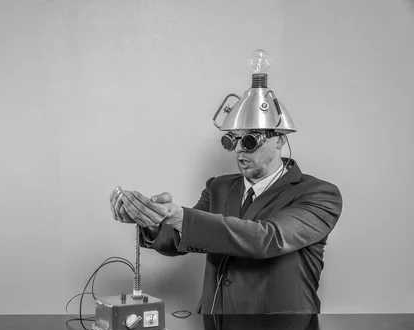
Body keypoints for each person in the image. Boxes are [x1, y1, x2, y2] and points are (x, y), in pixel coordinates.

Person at [109, 130, 342, 314]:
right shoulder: (218, 187)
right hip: (215, 329)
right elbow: (183, 237)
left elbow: (268, 238)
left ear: (279, 140)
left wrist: (180, 216)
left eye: (250, 140)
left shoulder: (319, 194)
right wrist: (153, 221)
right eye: (233, 140)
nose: (239, 149)